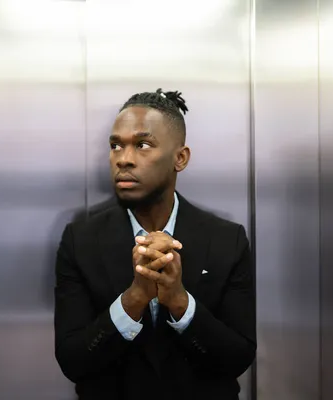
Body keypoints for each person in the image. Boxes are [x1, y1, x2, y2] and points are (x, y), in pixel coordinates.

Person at [54, 88, 256, 400]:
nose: (124, 159)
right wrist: (134, 299)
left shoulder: (227, 240)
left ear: (180, 158)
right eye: (115, 145)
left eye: (142, 145)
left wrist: (178, 301)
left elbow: (238, 358)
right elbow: (72, 360)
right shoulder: (80, 241)